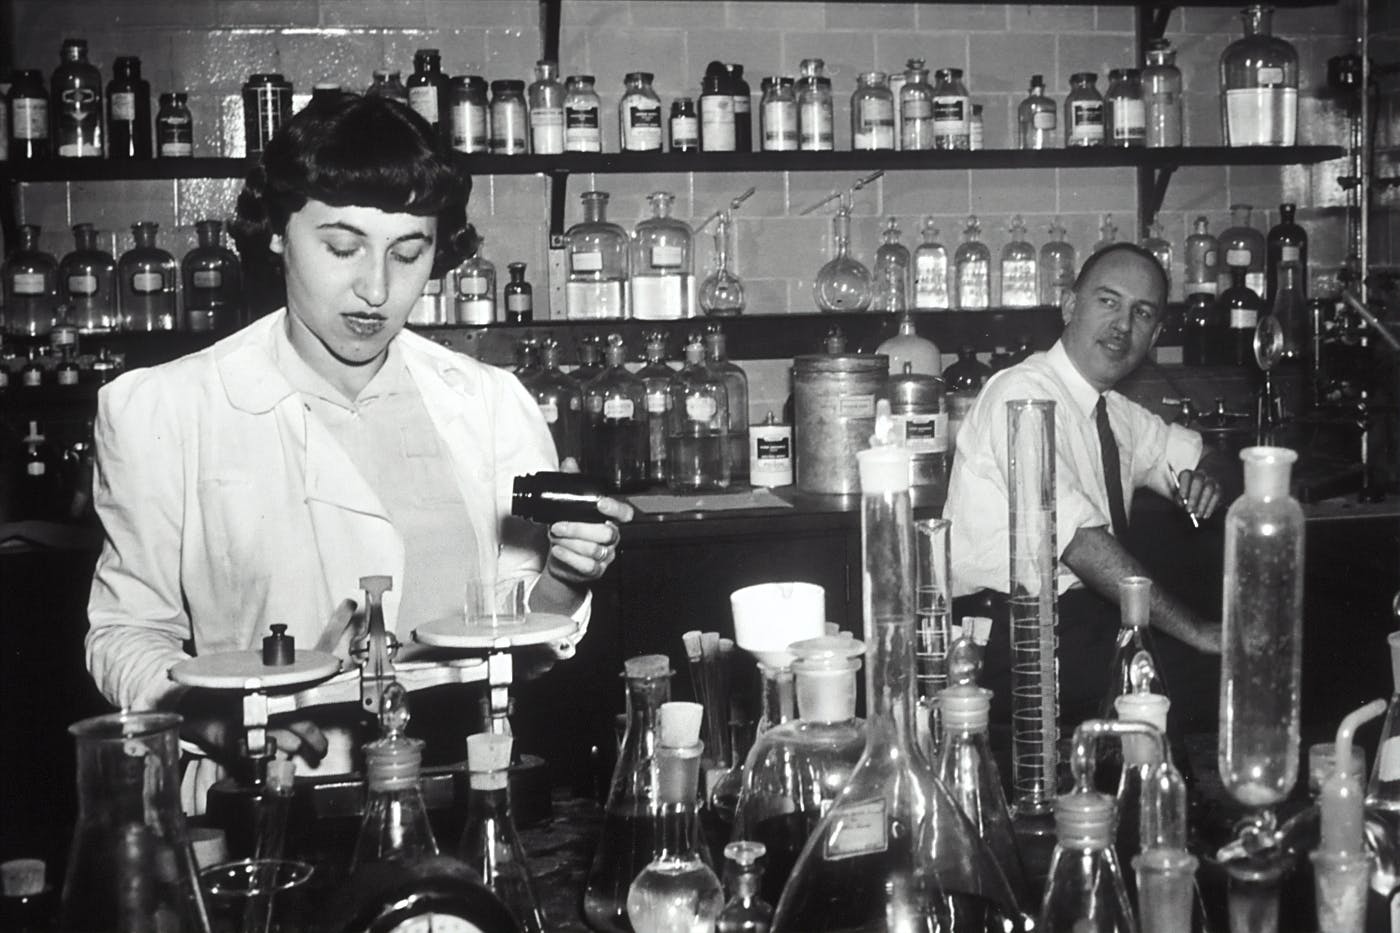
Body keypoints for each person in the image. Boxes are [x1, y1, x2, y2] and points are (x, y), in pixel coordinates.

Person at [85, 93, 632, 806]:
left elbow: (525, 643)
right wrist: (211, 716)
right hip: (266, 794)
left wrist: (565, 576)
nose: (375, 289)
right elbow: (126, 633)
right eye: (341, 248)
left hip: (466, 784)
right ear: (279, 231)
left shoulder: (491, 402)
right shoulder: (163, 407)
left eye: (409, 253)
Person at [944, 243, 1225, 737]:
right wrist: (1197, 632)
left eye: (1142, 313)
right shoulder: (1021, 393)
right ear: (1070, 306)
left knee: (1226, 674)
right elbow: (1081, 544)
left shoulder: (1115, 413)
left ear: (1155, 334)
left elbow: (1201, 454)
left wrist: (1206, 477)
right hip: (1012, 642)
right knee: (1213, 680)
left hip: (1084, 628)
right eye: (1108, 301)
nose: (1123, 325)